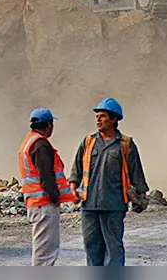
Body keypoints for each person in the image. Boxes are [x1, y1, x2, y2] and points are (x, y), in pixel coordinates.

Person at [68, 98, 149, 267]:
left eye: (102, 116)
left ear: (114, 119)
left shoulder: (125, 145)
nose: (98, 119)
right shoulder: (88, 142)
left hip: (114, 205)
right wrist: (73, 189)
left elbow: (136, 173)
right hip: (89, 205)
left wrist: (141, 197)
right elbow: (76, 169)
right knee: (91, 247)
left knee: (113, 247)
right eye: (97, 116)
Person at [18, 108, 78, 266]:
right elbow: (47, 176)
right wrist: (54, 197)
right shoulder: (40, 145)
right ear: (49, 125)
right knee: (45, 255)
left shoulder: (29, 141)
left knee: (43, 252)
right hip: (44, 204)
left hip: (36, 203)